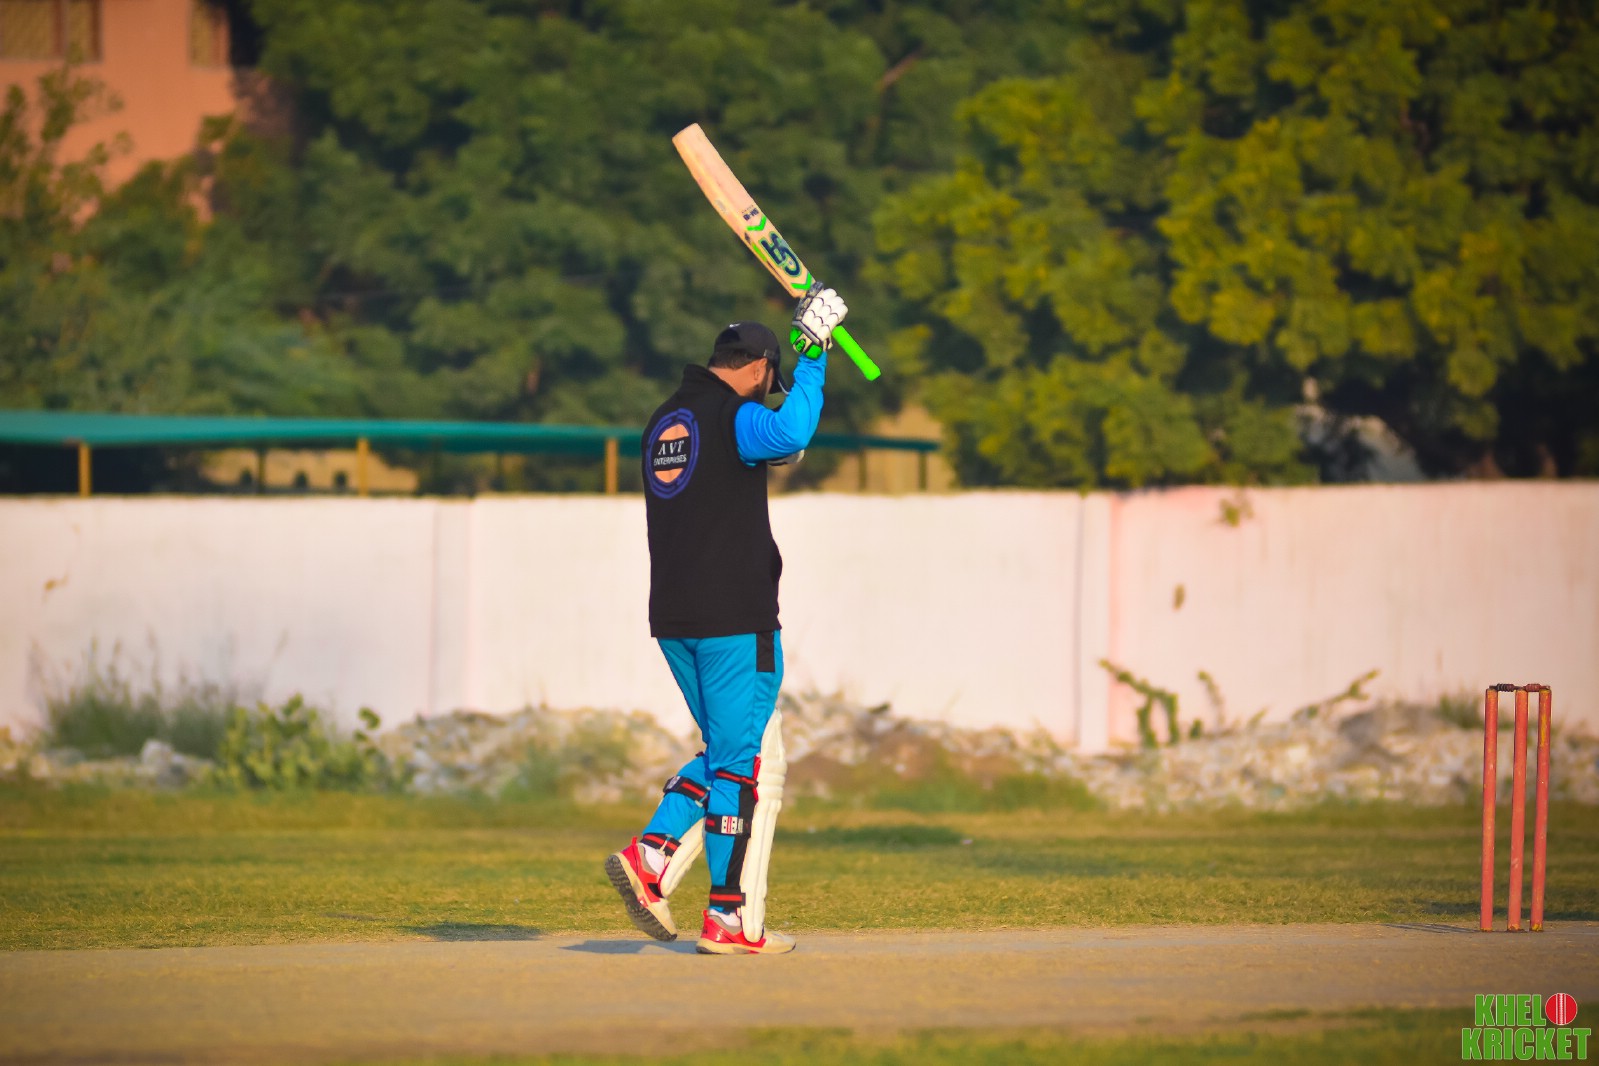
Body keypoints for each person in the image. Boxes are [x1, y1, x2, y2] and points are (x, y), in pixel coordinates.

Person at [605, 285, 848, 955]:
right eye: (771, 382)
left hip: (674, 617)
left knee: (727, 751)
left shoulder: (666, 420)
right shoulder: (732, 415)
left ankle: (659, 858)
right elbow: (790, 432)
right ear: (761, 368)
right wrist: (815, 355)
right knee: (740, 765)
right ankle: (721, 913)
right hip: (734, 617)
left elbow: (748, 459)